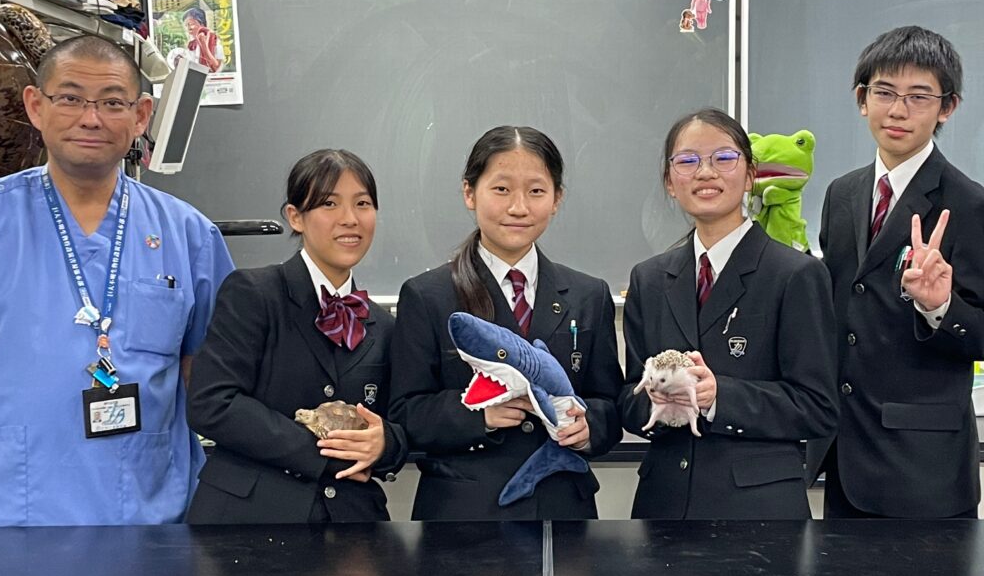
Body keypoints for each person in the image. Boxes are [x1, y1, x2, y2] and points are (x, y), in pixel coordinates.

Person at [0, 34, 233, 526]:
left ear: (141, 115)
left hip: (147, 514)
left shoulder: (189, 235)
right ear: (35, 106)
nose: (90, 118)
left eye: (111, 102)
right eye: (69, 98)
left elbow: (210, 376)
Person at [388, 125, 623, 521]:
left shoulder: (588, 294)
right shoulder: (427, 295)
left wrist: (589, 428)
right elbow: (404, 412)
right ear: (469, 193)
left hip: (562, 509)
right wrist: (478, 415)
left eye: (536, 191)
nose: (519, 207)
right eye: (501, 189)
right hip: (463, 516)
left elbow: (609, 405)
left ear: (557, 199)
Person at [620, 108, 837, 519]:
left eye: (723, 158)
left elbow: (818, 407)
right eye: (687, 160)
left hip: (759, 511)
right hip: (664, 505)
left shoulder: (796, 275)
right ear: (670, 182)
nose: (705, 172)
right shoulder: (648, 279)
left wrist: (719, 396)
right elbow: (628, 400)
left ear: (750, 175)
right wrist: (656, 400)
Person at [807, 26, 984, 519]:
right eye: (884, 92)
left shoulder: (969, 204)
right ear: (862, 99)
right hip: (844, 450)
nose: (898, 110)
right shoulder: (842, 194)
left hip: (923, 467)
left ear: (947, 107)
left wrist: (939, 306)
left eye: (919, 96)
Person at [187, 150, 405, 523]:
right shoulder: (253, 293)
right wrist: (323, 453)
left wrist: (384, 444)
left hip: (351, 521)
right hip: (249, 519)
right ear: (295, 217)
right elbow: (212, 403)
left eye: (362, 204)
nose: (350, 219)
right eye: (329, 204)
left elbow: (400, 422)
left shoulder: (382, 324)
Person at [167, 7, 224, 74]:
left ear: (202, 24)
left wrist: (203, 44)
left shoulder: (213, 40)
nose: (188, 28)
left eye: (191, 24)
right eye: (186, 25)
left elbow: (215, 68)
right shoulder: (191, 45)